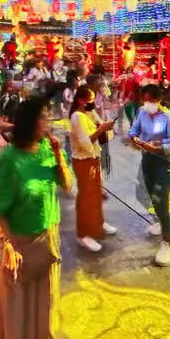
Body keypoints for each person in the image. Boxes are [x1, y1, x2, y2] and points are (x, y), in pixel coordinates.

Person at [0, 96, 72, 339]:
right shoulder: (10, 159)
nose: (48, 123)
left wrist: (59, 156)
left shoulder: (49, 148)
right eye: (44, 117)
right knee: (21, 313)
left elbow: (68, 185)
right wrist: (10, 243)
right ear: (29, 123)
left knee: (46, 308)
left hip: (48, 242)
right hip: (21, 247)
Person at [126, 84, 170, 267]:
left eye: (150, 100)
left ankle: (168, 243)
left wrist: (155, 147)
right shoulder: (142, 112)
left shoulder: (168, 118)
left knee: (160, 199)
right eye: (144, 99)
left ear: (158, 100)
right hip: (148, 158)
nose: (146, 103)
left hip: (164, 163)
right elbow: (134, 129)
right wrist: (133, 138)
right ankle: (159, 221)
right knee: (148, 194)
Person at [68, 87, 116, 252]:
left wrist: (105, 128)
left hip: (94, 158)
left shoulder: (90, 113)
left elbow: (102, 132)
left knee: (96, 194)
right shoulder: (76, 117)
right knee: (86, 197)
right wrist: (101, 129)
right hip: (83, 160)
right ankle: (83, 234)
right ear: (81, 100)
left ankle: (98, 223)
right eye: (91, 99)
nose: (93, 103)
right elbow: (85, 143)